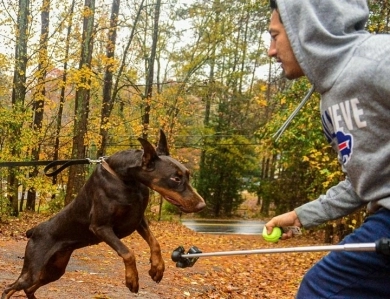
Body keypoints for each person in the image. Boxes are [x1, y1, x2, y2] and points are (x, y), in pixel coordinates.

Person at [265, 0, 390, 298]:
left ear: (303, 28)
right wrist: (299, 216)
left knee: (321, 289)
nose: (271, 51)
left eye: (274, 36)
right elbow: (363, 182)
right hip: (380, 219)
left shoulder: (379, 59)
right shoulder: (328, 104)